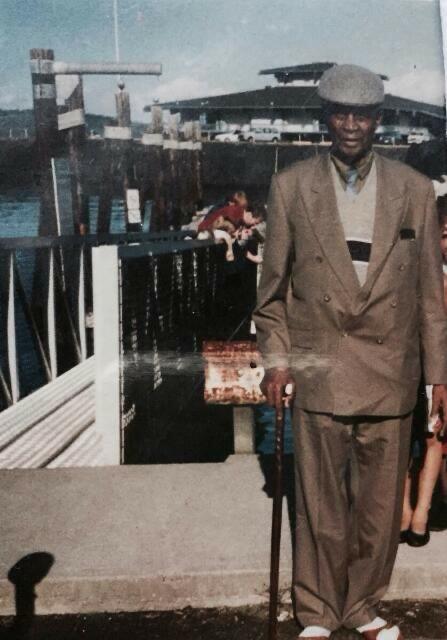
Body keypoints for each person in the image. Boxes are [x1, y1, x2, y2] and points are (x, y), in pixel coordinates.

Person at [253, 64, 447, 640]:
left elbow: (432, 301)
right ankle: (316, 610)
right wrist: (277, 361)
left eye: (362, 114)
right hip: (321, 371)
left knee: (379, 507)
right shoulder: (291, 188)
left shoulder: (415, 190)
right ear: (325, 117)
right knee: (318, 506)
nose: (351, 124)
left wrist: (439, 380)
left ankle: (362, 606)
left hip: (392, 375)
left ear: (378, 120)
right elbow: (271, 295)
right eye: (340, 113)